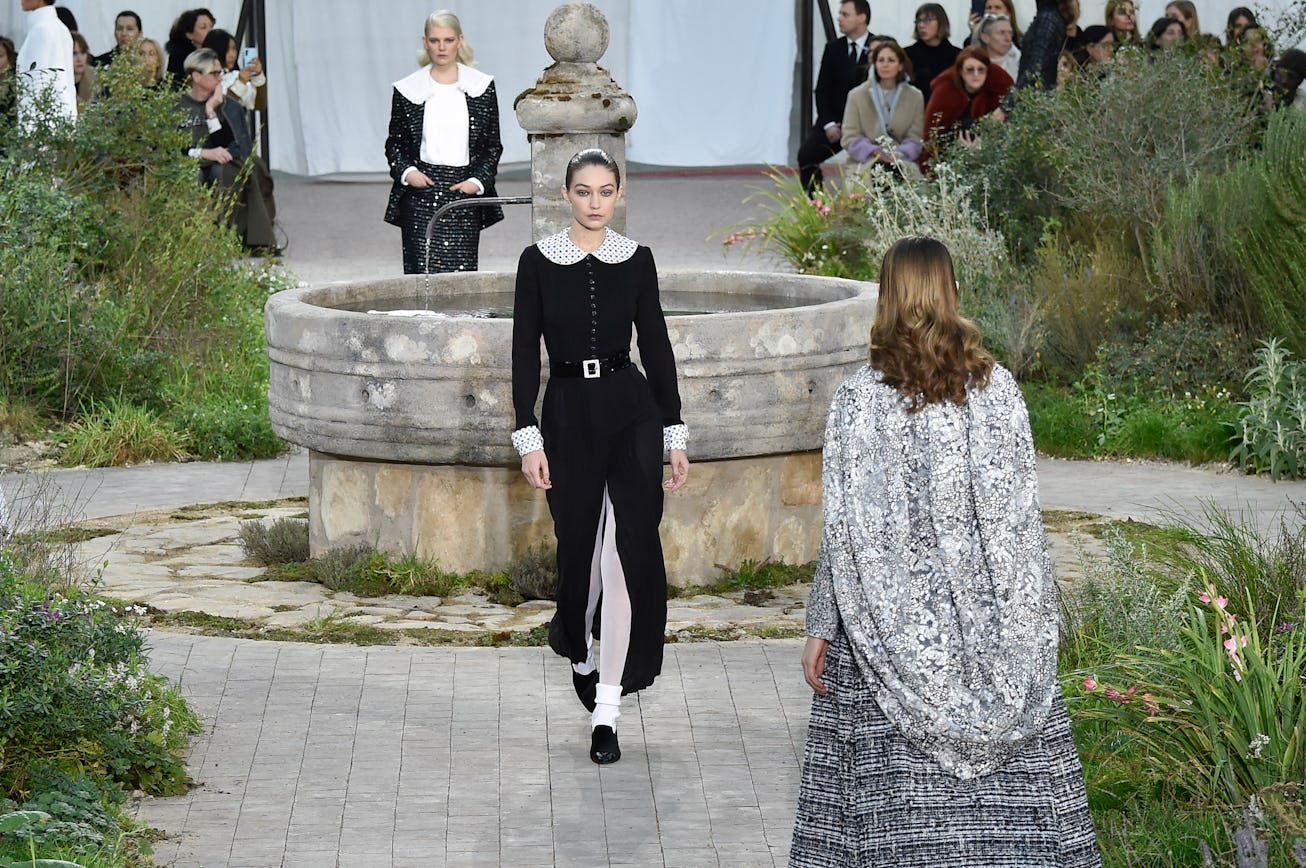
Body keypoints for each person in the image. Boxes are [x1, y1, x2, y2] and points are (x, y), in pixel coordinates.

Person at [789, 235, 1101, 868]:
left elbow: (845, 530)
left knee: (878, 807)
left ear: (886, 301)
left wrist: (824, 624)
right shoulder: (999, 392)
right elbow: (1020, 521)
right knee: (1023, 799)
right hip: (995, 629)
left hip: (886, 629)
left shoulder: (858, 403)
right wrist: (1033, 622)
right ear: (952, 293)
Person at [511, 148, 689, 766]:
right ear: (566, 195)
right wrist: (526, 435)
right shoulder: (537, 262)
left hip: (631, 413)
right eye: (583, 191)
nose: (594, 201)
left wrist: (674, 431)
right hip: (566, 418)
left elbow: (658, 346)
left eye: (605, 191)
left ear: (618, 195)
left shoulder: (636, 260)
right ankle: (581, 649)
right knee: (580, 554)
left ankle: (607, 711)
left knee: (623, 558)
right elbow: (520, 354)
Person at [384, 10, 502, 274]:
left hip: (464, 191)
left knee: (461, 280)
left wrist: (476, 182)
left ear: (459, 41)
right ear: (425, 42)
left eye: (448, 40)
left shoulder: (481, 86)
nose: (441, 47)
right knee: (421, 276)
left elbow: (492, 145)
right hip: (421, 192)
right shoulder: (408, 89)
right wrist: (408, 172)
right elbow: (395, 144)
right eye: (435, 40)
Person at [179, 47, 276, 251]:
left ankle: (221, 238)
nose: (220, 78)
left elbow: (238, 146)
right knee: (191, 173)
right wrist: (202, 153)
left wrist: (211, 112)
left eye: (221, 72)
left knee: (221, 171)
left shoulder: (228, 105)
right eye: (214, 73)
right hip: (187, 162)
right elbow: (168, 148)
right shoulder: (176, 106)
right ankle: (191, 241)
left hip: (225, 164)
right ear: (196, 76)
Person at [796, 0, 872, 194]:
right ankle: (818, 205)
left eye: (845, 14)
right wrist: (829, 123)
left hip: (868, 126)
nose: (839, 18)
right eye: (839, 14)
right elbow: (821, 90)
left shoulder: (879, 47)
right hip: (836, 123)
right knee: (806, 155)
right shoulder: (833, 48)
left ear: (862, 17)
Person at [841, 41, 925, 178]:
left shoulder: (915, 96)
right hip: (865, 161)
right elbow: (850, 136)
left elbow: (915, 137)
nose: (885, 65)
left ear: (900, 65)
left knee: (912, 184)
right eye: (881, 60)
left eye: (891, 60)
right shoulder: (856, 95)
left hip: (902, 159)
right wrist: (875, 152)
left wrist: (898, 154)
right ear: (874, 64)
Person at [924, 46, 1013, 162]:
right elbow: (932, 134)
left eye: (981, 70)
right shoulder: (945, 90)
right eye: (970, 70)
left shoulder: (999, 87)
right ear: (961, 71)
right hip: (950, 154)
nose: (976, 74)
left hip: (991, 151)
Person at [15, 0, 76, 126]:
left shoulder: (42, 29)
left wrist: (29, 130)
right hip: (60, 119)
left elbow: (36, 81)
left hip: (43, 126)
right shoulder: (60, 27)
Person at [904, 3, 959, 106]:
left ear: (941, 23)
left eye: (927, 20)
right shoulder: (907, 54)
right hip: (916, 110)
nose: (921, 25)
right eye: (918, 21)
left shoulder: (957, 55)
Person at [201, 28, 264, 110]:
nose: (232, 55)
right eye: (227, 50)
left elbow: (259, 104)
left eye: (234, 49)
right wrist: (240, 83)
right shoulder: (200, 77)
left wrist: (257, 76)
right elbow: (220, 107)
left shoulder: (235, 76)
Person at [1017, 0, 1068, 90]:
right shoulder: (1049, 15)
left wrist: (1011, 101)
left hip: (1037, 93)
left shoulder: (1048, 18)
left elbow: (1036, 66)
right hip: (1039, 91)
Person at [165, 8, 214, 88]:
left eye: (211, 26)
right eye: (203, 27)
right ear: (189, 35)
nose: (210, 31)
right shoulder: (180, 58)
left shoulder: (219, 51)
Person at [978, 13, 1021, 80]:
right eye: (1002, 33)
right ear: (985, 38)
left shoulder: (1020, 64)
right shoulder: (974, 65)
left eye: (1010, 33)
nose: (1008, 38)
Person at [70, 31, 96, 111]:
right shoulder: (56, 82)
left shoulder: (97, 78)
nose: (79, 59)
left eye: (83, 52)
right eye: (74, 53)